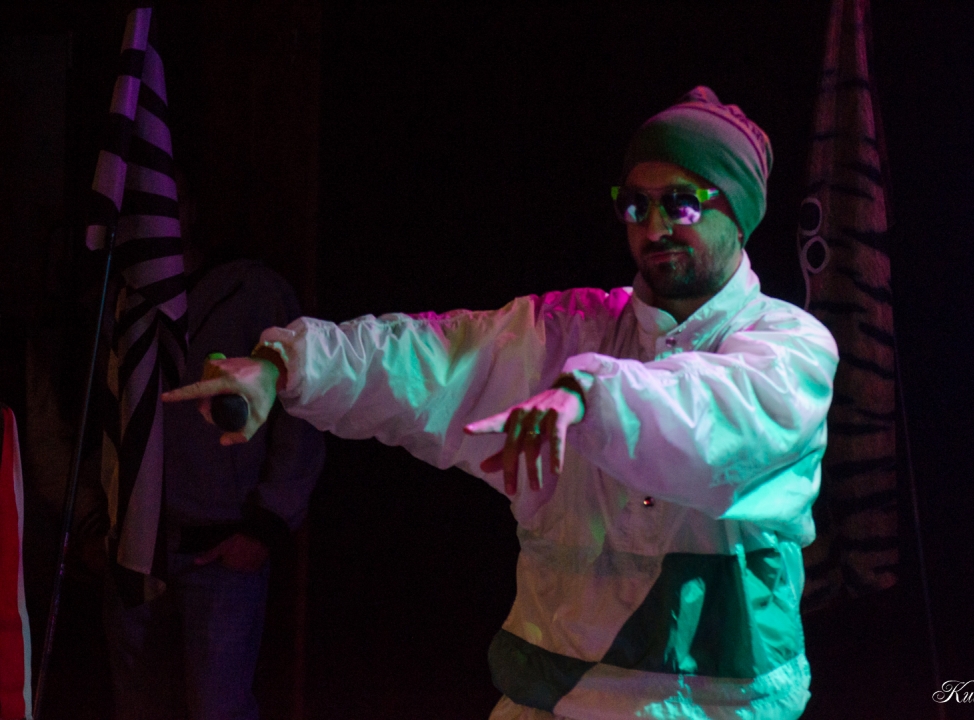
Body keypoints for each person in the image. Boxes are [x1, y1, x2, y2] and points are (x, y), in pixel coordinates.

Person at [165, 87, 838, 720]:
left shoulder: (790, 349)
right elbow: (427, 357)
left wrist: (589, 395)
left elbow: (715, 424)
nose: (654, 225)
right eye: (636, 205)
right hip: (553, 700)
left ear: (739, 214)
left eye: (682, 204)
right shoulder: (571, 330)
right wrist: (286, 365)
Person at [105, 180, 326, 720]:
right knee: (137, 705)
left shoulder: (251, 291)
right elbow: (103, 413)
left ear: (189, 209)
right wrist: (97, 519)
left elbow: (300, 415)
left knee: (217, 707)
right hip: (132, 543)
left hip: (220, 544)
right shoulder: (121, 299)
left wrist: (266, 526)